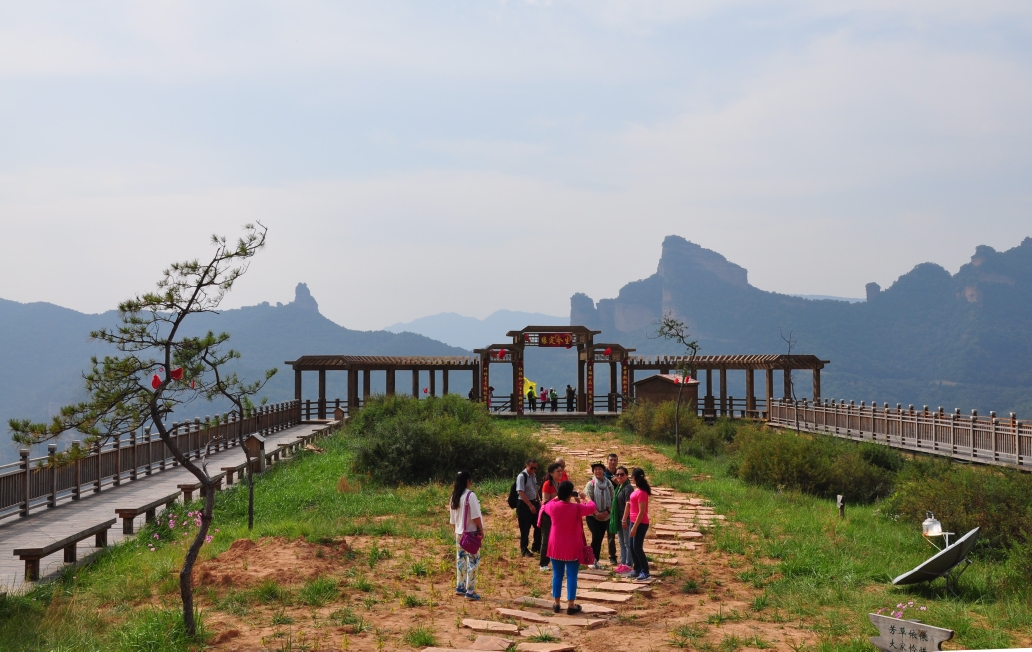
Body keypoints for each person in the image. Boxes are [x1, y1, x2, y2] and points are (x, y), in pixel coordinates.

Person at [538, 480, 595, 615]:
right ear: (570, 494)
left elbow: (545, 505)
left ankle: (557, 603)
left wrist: (558, 497)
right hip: (572, 546)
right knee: (571, 576)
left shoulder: (553, 507)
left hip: (555, 545)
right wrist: (585, 497)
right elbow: (592, 507)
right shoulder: (576, 508)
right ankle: (571, 604)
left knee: (557, 575)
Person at [449, 470, 485, 600]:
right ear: (468, 481)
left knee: (460, 560)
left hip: (459, 533)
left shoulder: (454, 496)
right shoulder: (470, 496)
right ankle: (470, 591)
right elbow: (475, 516)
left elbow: (453, 520)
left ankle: (460, 585)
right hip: (471, 534)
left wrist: (457, 531)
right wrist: (481, 529)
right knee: (473, 561)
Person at [583, 462, 615, 569]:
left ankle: (595, 560)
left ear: (603, 471)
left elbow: (612, 498)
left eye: (600, 469)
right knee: (596, 536)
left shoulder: (609, 483)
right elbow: (588, 500)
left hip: (605, 516)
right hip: (592, 516)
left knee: (600, 538)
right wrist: (597, 513)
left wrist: (607, 511)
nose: (598, 471)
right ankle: (590, 559)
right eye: (595, 470)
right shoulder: (590, 484)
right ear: (593, 472)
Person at [626, 467, 652, 581]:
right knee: (632, 547)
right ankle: (637, 569)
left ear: (634, 478)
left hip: (640, 523)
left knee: (637, 547)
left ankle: (645, 571)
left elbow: (642, 512)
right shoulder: (637, 490)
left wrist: (635, 527)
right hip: (633, 521)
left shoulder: (642, 492)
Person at [538, 462, 564, 571]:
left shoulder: (559, 484)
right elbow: (546, 501)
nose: (560, 473)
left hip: (557, 515)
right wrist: (559, 498)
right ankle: (543, 563)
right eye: (557, 471)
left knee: (555, 539)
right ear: (551, 473)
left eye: (561, 470)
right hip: (547, 515)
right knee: (546, 539)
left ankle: (554, 560)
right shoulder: (547, 484)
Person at [516, 458, 541, 557]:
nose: (533, 470)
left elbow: (535, 489)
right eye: (531, 468)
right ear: (526, 466)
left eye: (535, 468)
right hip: (524, 504)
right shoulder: (522, 476)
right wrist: (530, 505)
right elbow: (521, 492)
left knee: (538, 526)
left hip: (534, 502)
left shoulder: (534, 475)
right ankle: (524, 549)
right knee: (525, 529)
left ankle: (536, 546)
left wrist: (538, 501)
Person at [611, 466, 634, 574]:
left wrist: (624, 519)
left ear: (626, 476)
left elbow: (628, 505)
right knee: (621, 542)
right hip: (619, 518)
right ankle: (623, 562)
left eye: (622, 474)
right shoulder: (619, 487)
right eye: (617, 474)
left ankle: (629, 564)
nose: (619, 476)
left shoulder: (628, 487)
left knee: (627, 542)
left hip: (625, 518)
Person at [602, 453, 620, 565]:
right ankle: (595, 556)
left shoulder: (620, 473)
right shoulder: (603, 473)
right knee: (598, 535)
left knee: (611, 533)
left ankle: (612, 556)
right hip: (602, 508)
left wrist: (618, 483)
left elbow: (626, 487)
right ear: (607, 461)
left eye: (615, 460)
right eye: (611, 460)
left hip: (615, 509)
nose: (613, 462)